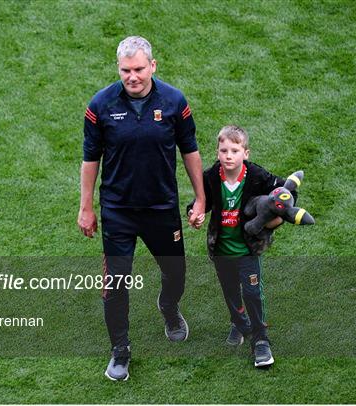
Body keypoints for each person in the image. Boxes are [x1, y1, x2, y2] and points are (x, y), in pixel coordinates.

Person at [78, 36, 206, 381]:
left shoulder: (175, 101)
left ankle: (168, 306)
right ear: (118, 69)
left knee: (176, 273)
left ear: (152, 66)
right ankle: (120, 350)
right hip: (118, 211)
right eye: (125, 70)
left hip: (162, 208)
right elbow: (91, 159)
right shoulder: (100, 105)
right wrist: (86, 207)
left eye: (138, 69)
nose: (132, 76)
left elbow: (189, 149)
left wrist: (201, 197)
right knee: (116, 283)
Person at [187, 125, 295, 368]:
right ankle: (239, 322)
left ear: (245, 153)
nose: (228, 155)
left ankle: (260, 339)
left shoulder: (257, 176)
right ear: (217, 153)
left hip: (247, 249)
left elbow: (285, 193)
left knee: (252, 293)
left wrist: (279, 216)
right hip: (222, 249)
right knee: (230, 291)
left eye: (234, 150)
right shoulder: (211, 176)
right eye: (223, 150)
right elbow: (199, 202)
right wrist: (195, 214)